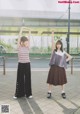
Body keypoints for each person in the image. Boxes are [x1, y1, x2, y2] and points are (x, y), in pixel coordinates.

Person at [47, 31, 72, 99]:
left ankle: (63, 92)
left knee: (62, 81)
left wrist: (64, 61)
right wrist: (52, 35)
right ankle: (49, 92)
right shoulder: (54, 51)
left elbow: (70, 57)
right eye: (57, 44)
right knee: (51, 80)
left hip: (61, 68)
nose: (58, 45)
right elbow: (52, 43)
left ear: (61, 45)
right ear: (56, 45)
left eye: (59, 44)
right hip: (53, 67)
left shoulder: (63, 52)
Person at [13, 27, 32, 99]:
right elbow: (19, 38)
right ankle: (18, 94)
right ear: (22, 42)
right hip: (20, 64)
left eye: (27, 42)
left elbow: (29, 37)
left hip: (27, 64)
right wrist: (21, 30)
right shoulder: (19, 47)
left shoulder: (28, 47)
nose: (27, 42)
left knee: (28, 79)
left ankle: (28, 94)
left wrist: (29, 31)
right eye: (26, 41)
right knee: (20, 79)